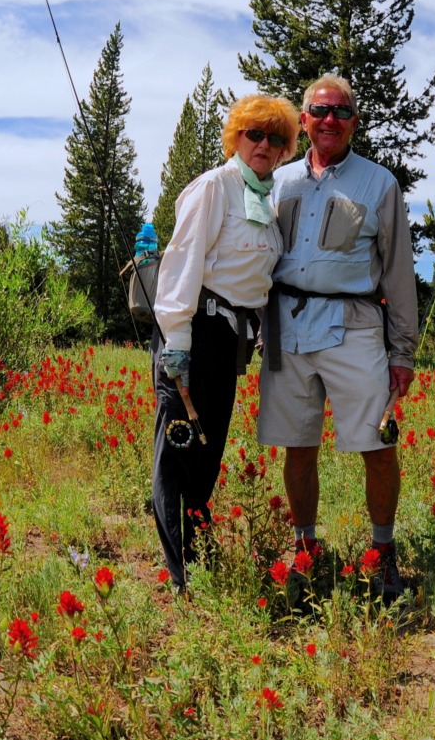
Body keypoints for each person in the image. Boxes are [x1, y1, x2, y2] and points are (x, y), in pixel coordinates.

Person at [258, 74, 418, 602]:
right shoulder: (277, 183)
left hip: (355, 327)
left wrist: (403, 350)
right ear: (302, 120)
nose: (330, 121)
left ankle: (383, 554)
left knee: (376, 444)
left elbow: (397, 272)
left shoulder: (379, 184)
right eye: (320, 111)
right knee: (298, 445)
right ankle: (305, 549)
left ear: (354, 122)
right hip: (287, 327)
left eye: (341, 112)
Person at [150, 94, 301, 593]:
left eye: (275, 138)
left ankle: (195, 553)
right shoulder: (216, 186)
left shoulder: (265, 197)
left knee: (207, 454)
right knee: (179, 451)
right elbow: (182, 261)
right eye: (254, 134)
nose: (264, 145)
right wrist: (176, 341)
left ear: (284, 149)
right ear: (236, 137)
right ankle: (182, 576)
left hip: (229, 338)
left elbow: (255, 276)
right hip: (192, 330)